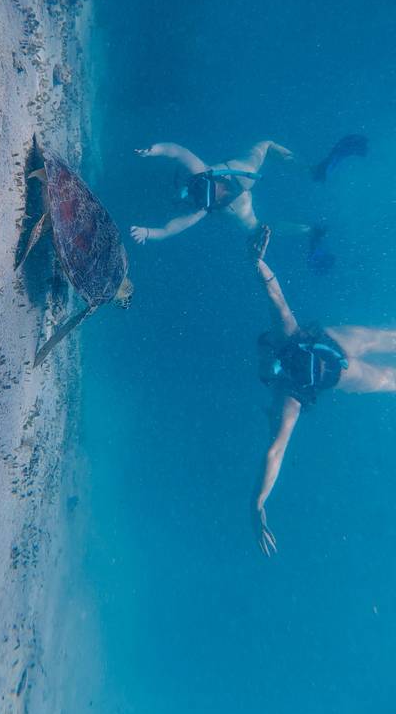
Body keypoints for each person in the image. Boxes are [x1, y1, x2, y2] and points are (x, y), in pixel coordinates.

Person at [253, 229, 396, 556]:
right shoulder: (289, 394)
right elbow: (275, 451)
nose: (269, 362)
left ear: (270, 344)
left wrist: (257, 262)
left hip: (334, 348)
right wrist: (258, 502)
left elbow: (274, 294)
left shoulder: (287, 347)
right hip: (338, 363)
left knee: (387, 344)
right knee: (388, 370)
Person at [130, 140, 295, 248]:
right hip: (240, 175)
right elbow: (177, 151)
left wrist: (148, 233)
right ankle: (298, 164)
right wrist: (153, 150)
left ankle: (305, 229)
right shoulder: (201, 174)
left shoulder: (199, 209)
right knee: (265, 146)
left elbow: (169, 230)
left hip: (239, 195)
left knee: (259, 229)